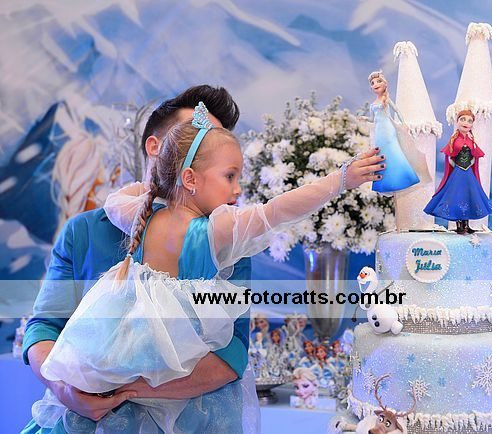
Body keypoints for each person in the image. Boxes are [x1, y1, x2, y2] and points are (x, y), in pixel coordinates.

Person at [37, 103, 384, 432]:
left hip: (119, 348)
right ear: (190, 178)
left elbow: (116, 199)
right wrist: (340, 180)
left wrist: (158, 181)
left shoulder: (141, 215)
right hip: (177, 365)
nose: (237, 189)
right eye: (230, 176)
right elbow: (279, 210)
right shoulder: (216, 230)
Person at [21, 86, 255, 434]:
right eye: (198, 140)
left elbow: (232, 351)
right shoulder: (84, 231)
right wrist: (66, 389)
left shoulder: (225, 241)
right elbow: (44, 327)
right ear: (155, 146)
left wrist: (128, 391)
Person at [423, 109, 492, 234]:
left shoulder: (471, 140)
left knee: (468, 196)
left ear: (472, 125)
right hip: (458, 173)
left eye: (469, 121)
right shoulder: (454, 140)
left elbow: (475, 155)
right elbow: (450, 156)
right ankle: (459, 226)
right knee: (457, 197)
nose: (466, 123)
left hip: (468, 174)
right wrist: (455, 166)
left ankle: (466, 224)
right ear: (457, 122)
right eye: (463, 119)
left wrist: (471, 162)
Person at [363, 70, 422, 194]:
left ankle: (405, 177)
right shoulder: (372, 105)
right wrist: (365, 118)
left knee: (393, 150)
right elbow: (373, 119)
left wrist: (403, 123)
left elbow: (397, 111)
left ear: (384, 83)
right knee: (382, 153)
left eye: (378, 81)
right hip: (379, 131)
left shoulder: (386, 99)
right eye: (372, 83)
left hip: (388, 129)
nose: (375, 84)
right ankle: (386, 182)